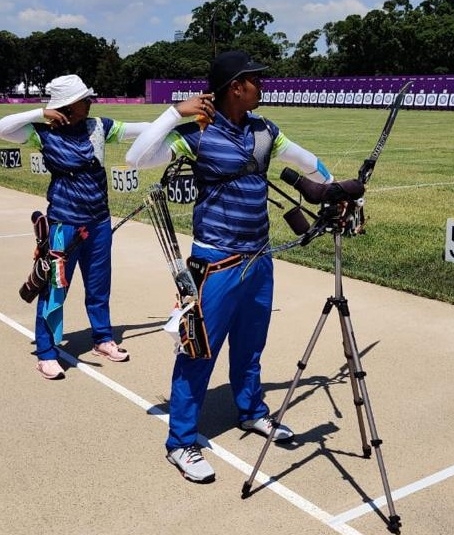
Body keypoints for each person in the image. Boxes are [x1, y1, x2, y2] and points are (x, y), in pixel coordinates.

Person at [125, 50, 333, 483]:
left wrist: (336, 186)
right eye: (256, 79)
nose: (263, 85)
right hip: (215, 263)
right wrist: (174, 111)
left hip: (259, 259)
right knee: (197, 350)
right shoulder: (197, 134)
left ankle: (252, 412)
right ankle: (181, 441)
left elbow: (306, 160)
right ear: (236, 87)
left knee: (250, 346)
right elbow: (137, 159)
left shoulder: (264, 130)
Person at [0, 74, 152, 380]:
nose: (90, 102)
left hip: (98, 221)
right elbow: (2, 128)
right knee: (55, 288)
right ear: (69, 106)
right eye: (85, 100)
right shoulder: (42, 133)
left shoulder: (99, 127)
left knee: (99, 285)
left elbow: (141, 130)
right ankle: (46, 351)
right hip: (63, 225)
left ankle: (102, 338)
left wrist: (176, 120)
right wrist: (39, 112)